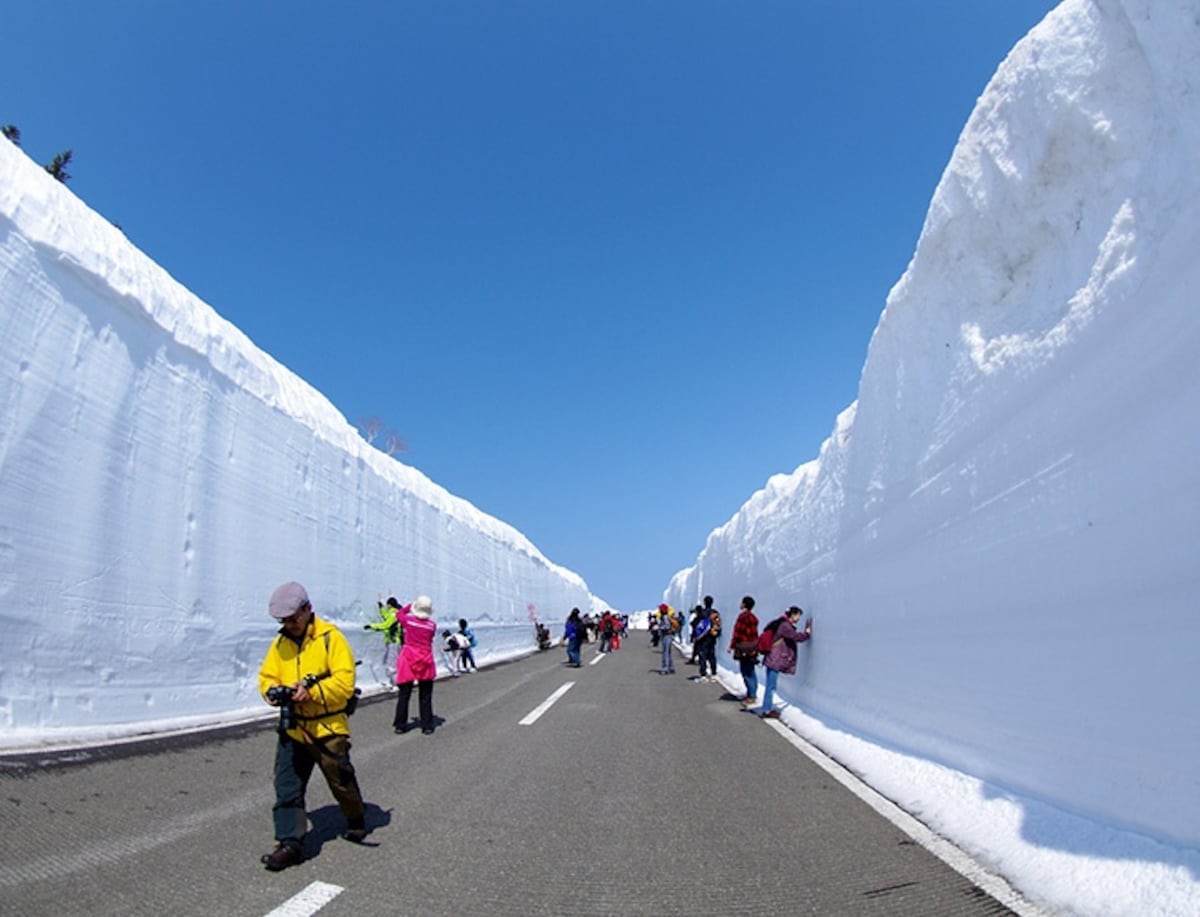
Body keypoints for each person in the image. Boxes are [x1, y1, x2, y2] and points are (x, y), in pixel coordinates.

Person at [258, 581, 366, 871]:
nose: (289, 625)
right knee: (287, 787)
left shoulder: (331, 639)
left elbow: (344, 684)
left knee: (340, 780)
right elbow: (267, 675)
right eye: (284, 621)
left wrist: (313, 693)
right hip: (293, 729)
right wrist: (271, 691)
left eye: (294, 618)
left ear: (308, 609)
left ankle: (356, 819)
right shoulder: (280, 643)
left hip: (327, 729)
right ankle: (289, 844)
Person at [393, 595, 439, 735]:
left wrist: (409, 606)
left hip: (408, 657)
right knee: (425, 695)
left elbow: (399, 614)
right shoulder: (432, 626)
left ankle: (400, 725)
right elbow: (430, 639)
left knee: (404, 694)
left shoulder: (409, 621)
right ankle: (427, 725)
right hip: (425, 658)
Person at [759, 605, 813, 719]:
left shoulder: (781, 623)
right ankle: (767, 710)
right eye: (798, 615)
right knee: (771, 686)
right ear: (793, 615)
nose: (798, 618)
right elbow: (796, 637)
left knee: (770, 685)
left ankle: (766, 707)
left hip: (772, 658)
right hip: (775, 659)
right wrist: (807, 633)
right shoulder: (785, 626)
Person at [728, 595, 760, 706]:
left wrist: (731, 646)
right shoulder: (753, 618)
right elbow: (755, 634)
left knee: (746, 671)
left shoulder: (742, 617)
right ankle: (752, 693)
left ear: (745, 604)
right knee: (751, 671)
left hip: (744, 648)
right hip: (753, 648)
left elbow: (737, 633)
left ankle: (751, 696)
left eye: (742, 602)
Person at [364, 595, 404, 683]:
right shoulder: (394, 613)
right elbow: (386, 617)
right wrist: (381, 608)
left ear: (390, 605)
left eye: (387, 605)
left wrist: (371, 626)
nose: (386, 606)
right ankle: (398, 681)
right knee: (394, 663)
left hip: (393, 642)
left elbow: (386, 625)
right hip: (394, 642)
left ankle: (396, 683)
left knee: (391, 665)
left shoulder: (394, 614)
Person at [693, 596, 719, 683]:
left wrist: (695, 637)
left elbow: (696, 625)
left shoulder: (701, 614)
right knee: (712, 656)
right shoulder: (715, 613)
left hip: (703, 639)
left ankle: (703, 674)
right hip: (712, 637)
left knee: (702, 656)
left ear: (704, 602)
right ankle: (714, 674)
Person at [657, 603, 678, 674]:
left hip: (666, 636)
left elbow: (666, 627)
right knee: (668, 652)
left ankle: (665, 668)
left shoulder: (665, 617)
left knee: (665, 652)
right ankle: (671, 667)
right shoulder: (667, 617)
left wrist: (660, 627)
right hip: (669, 636)